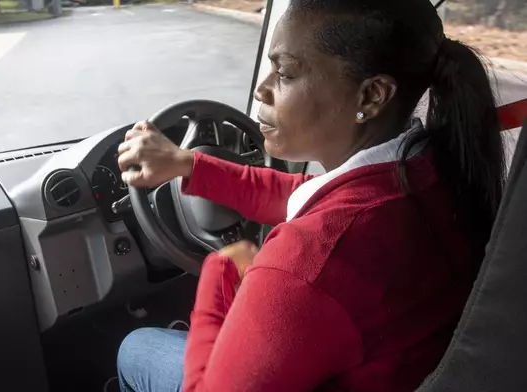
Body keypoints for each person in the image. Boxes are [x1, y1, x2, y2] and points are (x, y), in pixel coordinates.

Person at [115, 0, 506, 390]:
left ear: (372, 96)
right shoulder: (429, 170)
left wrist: (223, 275)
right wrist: (189, 165)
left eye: (284, 72)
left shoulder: (308, 264)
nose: (261, 89)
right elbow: (300, 196)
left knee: (137, 347)